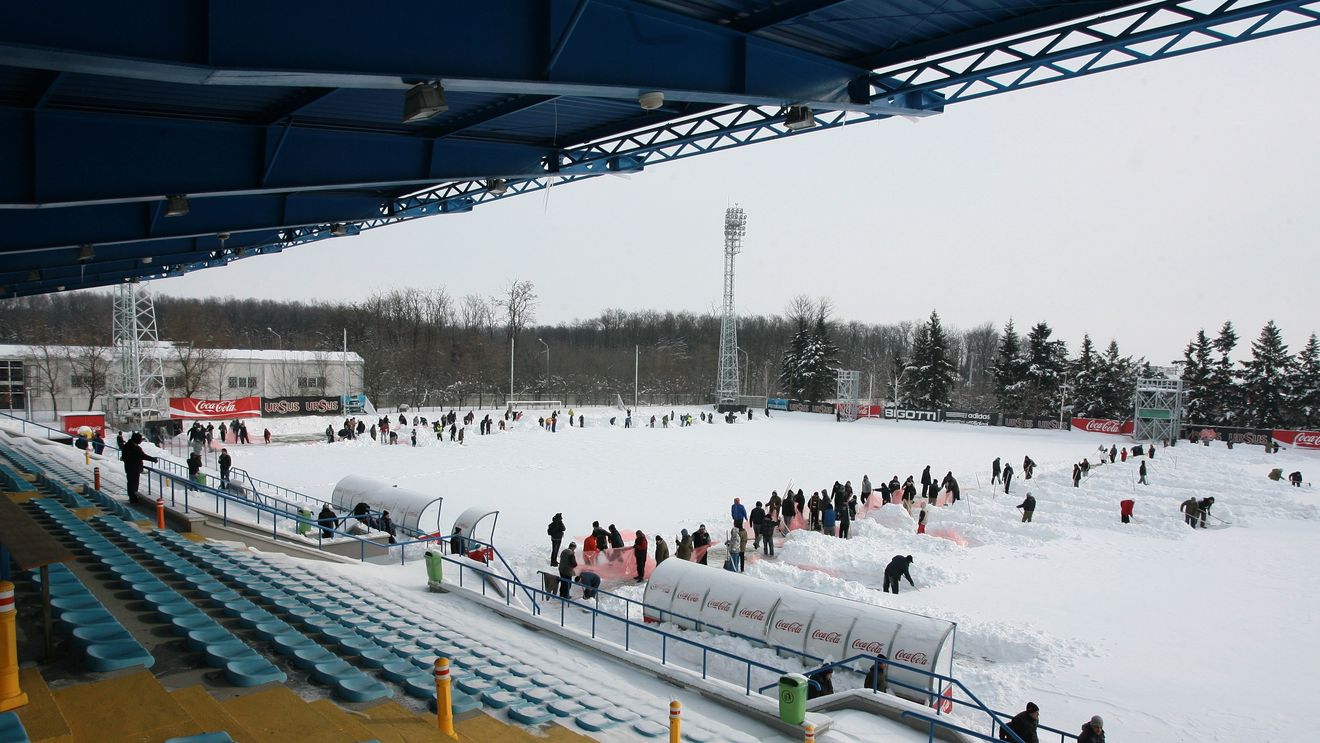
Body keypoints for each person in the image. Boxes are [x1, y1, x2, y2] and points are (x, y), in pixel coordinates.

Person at [120, 433, 158, 504]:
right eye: (140, 439)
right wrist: (153, 459)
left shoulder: (126, 446)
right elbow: (143, 456)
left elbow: (124, 457)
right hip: (134, 469)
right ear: (136, 439)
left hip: (128, 467)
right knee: (134, 484)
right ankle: (133, 498)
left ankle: (131, 497)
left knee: (130, 483)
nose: (141, 441)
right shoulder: (135, 448)